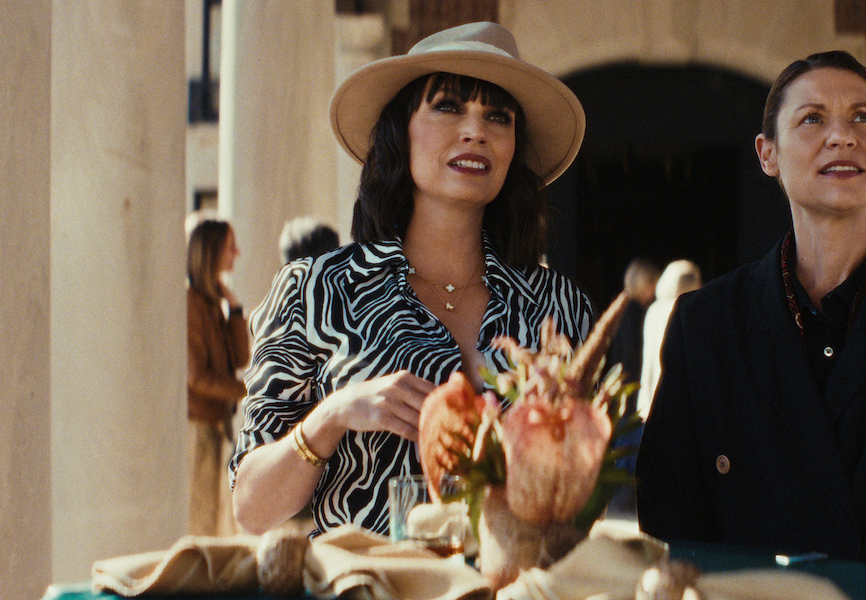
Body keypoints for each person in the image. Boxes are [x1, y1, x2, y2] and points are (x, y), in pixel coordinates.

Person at [636, 51, 866, 600]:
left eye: (862, 118)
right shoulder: (706, 325)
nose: (842, 136)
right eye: (812, 118)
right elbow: (672, 523)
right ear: (767, 154)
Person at [229, 22, 592, 537]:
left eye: (498, 116)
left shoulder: (560, 307)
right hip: (364, 579)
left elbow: (586, 495)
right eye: (448, 106)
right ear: (400, 130)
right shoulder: (316, 290)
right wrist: (333, 415)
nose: (476, 131)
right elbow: (251, 508)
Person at [186, 216, 249, 536]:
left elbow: (241, 357)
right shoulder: (192, 304)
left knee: (218, 515)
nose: (236, 252)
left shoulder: (213, 302)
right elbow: (196, 377)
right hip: (198, 427)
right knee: (202, 516)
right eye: (230, 246)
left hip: (217, 424)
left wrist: (235, 309)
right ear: (211, 251)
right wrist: (246, 390)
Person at [638, 259, 701, 417]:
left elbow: (648, 359)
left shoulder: (654, 310)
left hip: (653, 391)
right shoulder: (684, 310)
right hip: (678, 392)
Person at [607, 257, 661, 387]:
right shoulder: (635, 313)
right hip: (631, 383)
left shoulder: (621, 308)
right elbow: (632, 355)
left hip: (619, 380)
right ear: (646, 284)